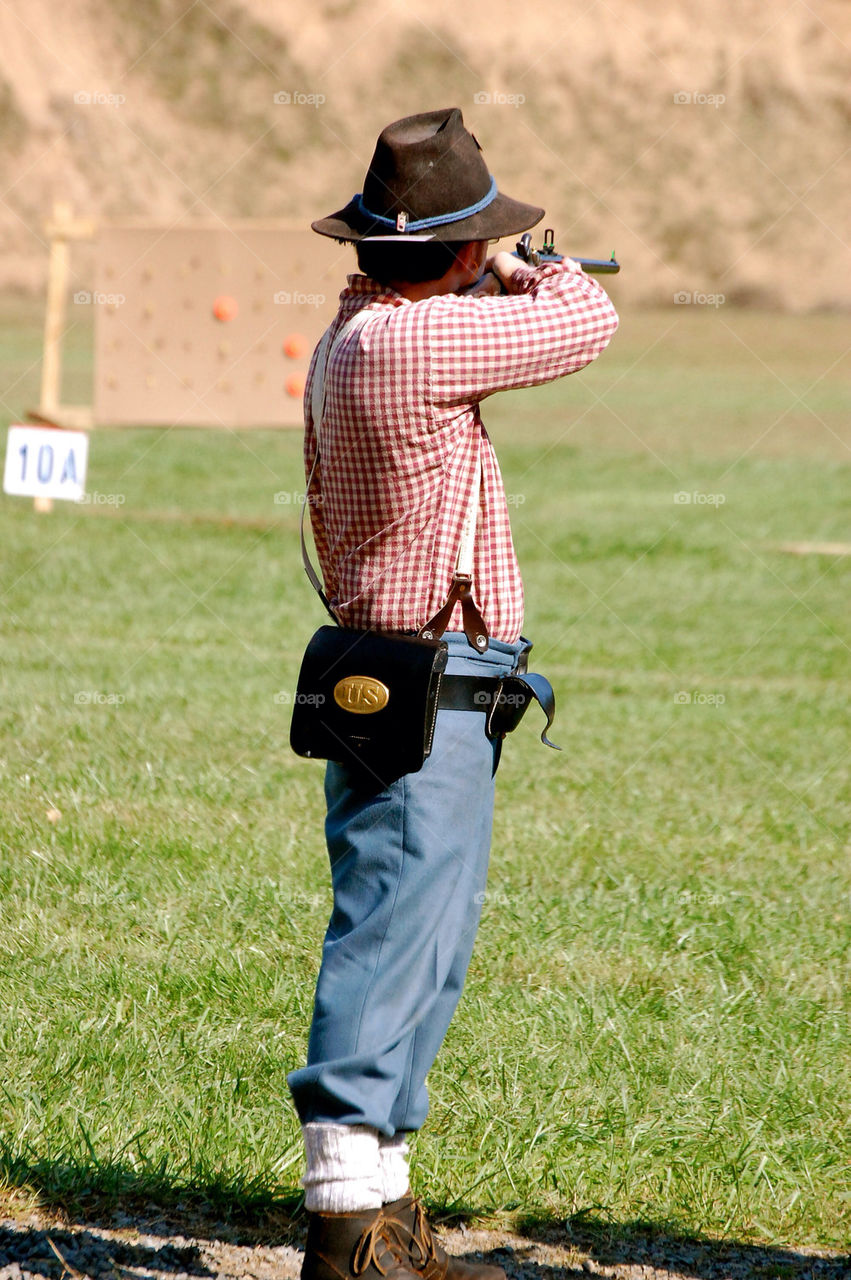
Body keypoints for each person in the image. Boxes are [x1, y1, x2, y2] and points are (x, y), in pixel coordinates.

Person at [288, 107, 619, 1280]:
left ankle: (380, 1210)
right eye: (480, 238)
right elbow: (590, 318)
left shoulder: (363, 330)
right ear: (457, 252)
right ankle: (341, 1219)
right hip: (423, 673)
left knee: (424, 936)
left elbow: (439, 305)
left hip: (426, 671)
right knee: (391, 930)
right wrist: (540, 269)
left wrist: (482, 270)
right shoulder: (411, 346)